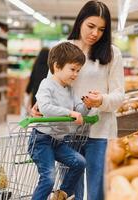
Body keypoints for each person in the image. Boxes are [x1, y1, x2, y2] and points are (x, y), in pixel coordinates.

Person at [31, 1, 125, 200]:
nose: (95, 33)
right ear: (80, 21)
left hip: (100, 131)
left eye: (101, 29)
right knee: (72, 192)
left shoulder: (112, 53)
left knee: (97, 191)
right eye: (91, 26)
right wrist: (39, 105)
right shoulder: (64, 49)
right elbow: (51, 84)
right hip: (67, 131)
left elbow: (119, 96)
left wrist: (101, 100)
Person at [28, 42, 88, 200]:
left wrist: (87, 105)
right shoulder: (46, 85)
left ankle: (62, 194)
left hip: (59, 141)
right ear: (57, 66)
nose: (76, 74)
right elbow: (46, 108)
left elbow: (79, 109)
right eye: (72, 69)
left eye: (78, 71)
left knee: (80, 162)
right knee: (48, 178)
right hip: (41, 140)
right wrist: (70, 113)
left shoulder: (70, 89)